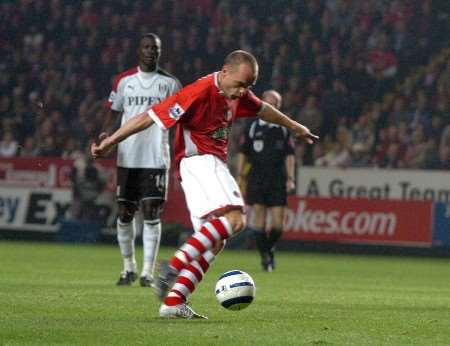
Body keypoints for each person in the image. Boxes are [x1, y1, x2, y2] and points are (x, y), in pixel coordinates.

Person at [91, 50, 318, 319]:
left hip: (195, 168)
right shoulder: (197, 92)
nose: (243, 91)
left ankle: (173, 302)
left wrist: (294, 126)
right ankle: (172, 266)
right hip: (201, 161)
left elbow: (264, 110)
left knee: (215, 242)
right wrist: (111, 142)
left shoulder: (238, 93)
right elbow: (148, 117)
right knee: (236, 220)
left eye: (249, 85)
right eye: (240, 84)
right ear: (225, 72)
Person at [105, 33, 181, 287]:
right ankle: (128, 268)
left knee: (151, 212)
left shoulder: (170, 84)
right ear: (139, 50)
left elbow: (181, 120)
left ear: (160, 52)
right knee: (125, 213)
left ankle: (147, 272)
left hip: (156, 157)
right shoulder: (124, 81)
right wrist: (106, 138)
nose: (151, 51)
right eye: (147, 47)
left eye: (155, 48)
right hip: (128, 156)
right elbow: (114, 114)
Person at [236, 90, 295, 272]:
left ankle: (267, 249)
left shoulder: (284, 129)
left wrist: (290, 178)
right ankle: (265, 257)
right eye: (269, 103)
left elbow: (289, 155)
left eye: (275, 104)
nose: (272, 107)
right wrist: (240, 176)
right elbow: (243, 152)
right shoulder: (252, 126)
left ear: (279, 107)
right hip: (257, 178)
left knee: (278, 225)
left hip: (277, 179)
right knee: (258, 221)